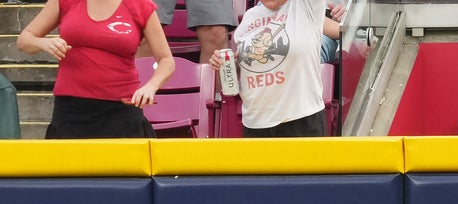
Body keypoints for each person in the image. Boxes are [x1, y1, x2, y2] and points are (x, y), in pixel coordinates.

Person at [17, 0, 175, 138]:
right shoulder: (65, 1)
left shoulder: (140, 5)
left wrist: (151, 87)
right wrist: (43, 43)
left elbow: (167, 60)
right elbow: (25, 39)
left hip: (121, 112)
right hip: (71, 112)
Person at [207, 0, 341, 136]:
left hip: (301, 119)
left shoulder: (307, 6)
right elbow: (245, 69)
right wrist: (225, 64)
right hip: (255, 122)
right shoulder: (249, 16)